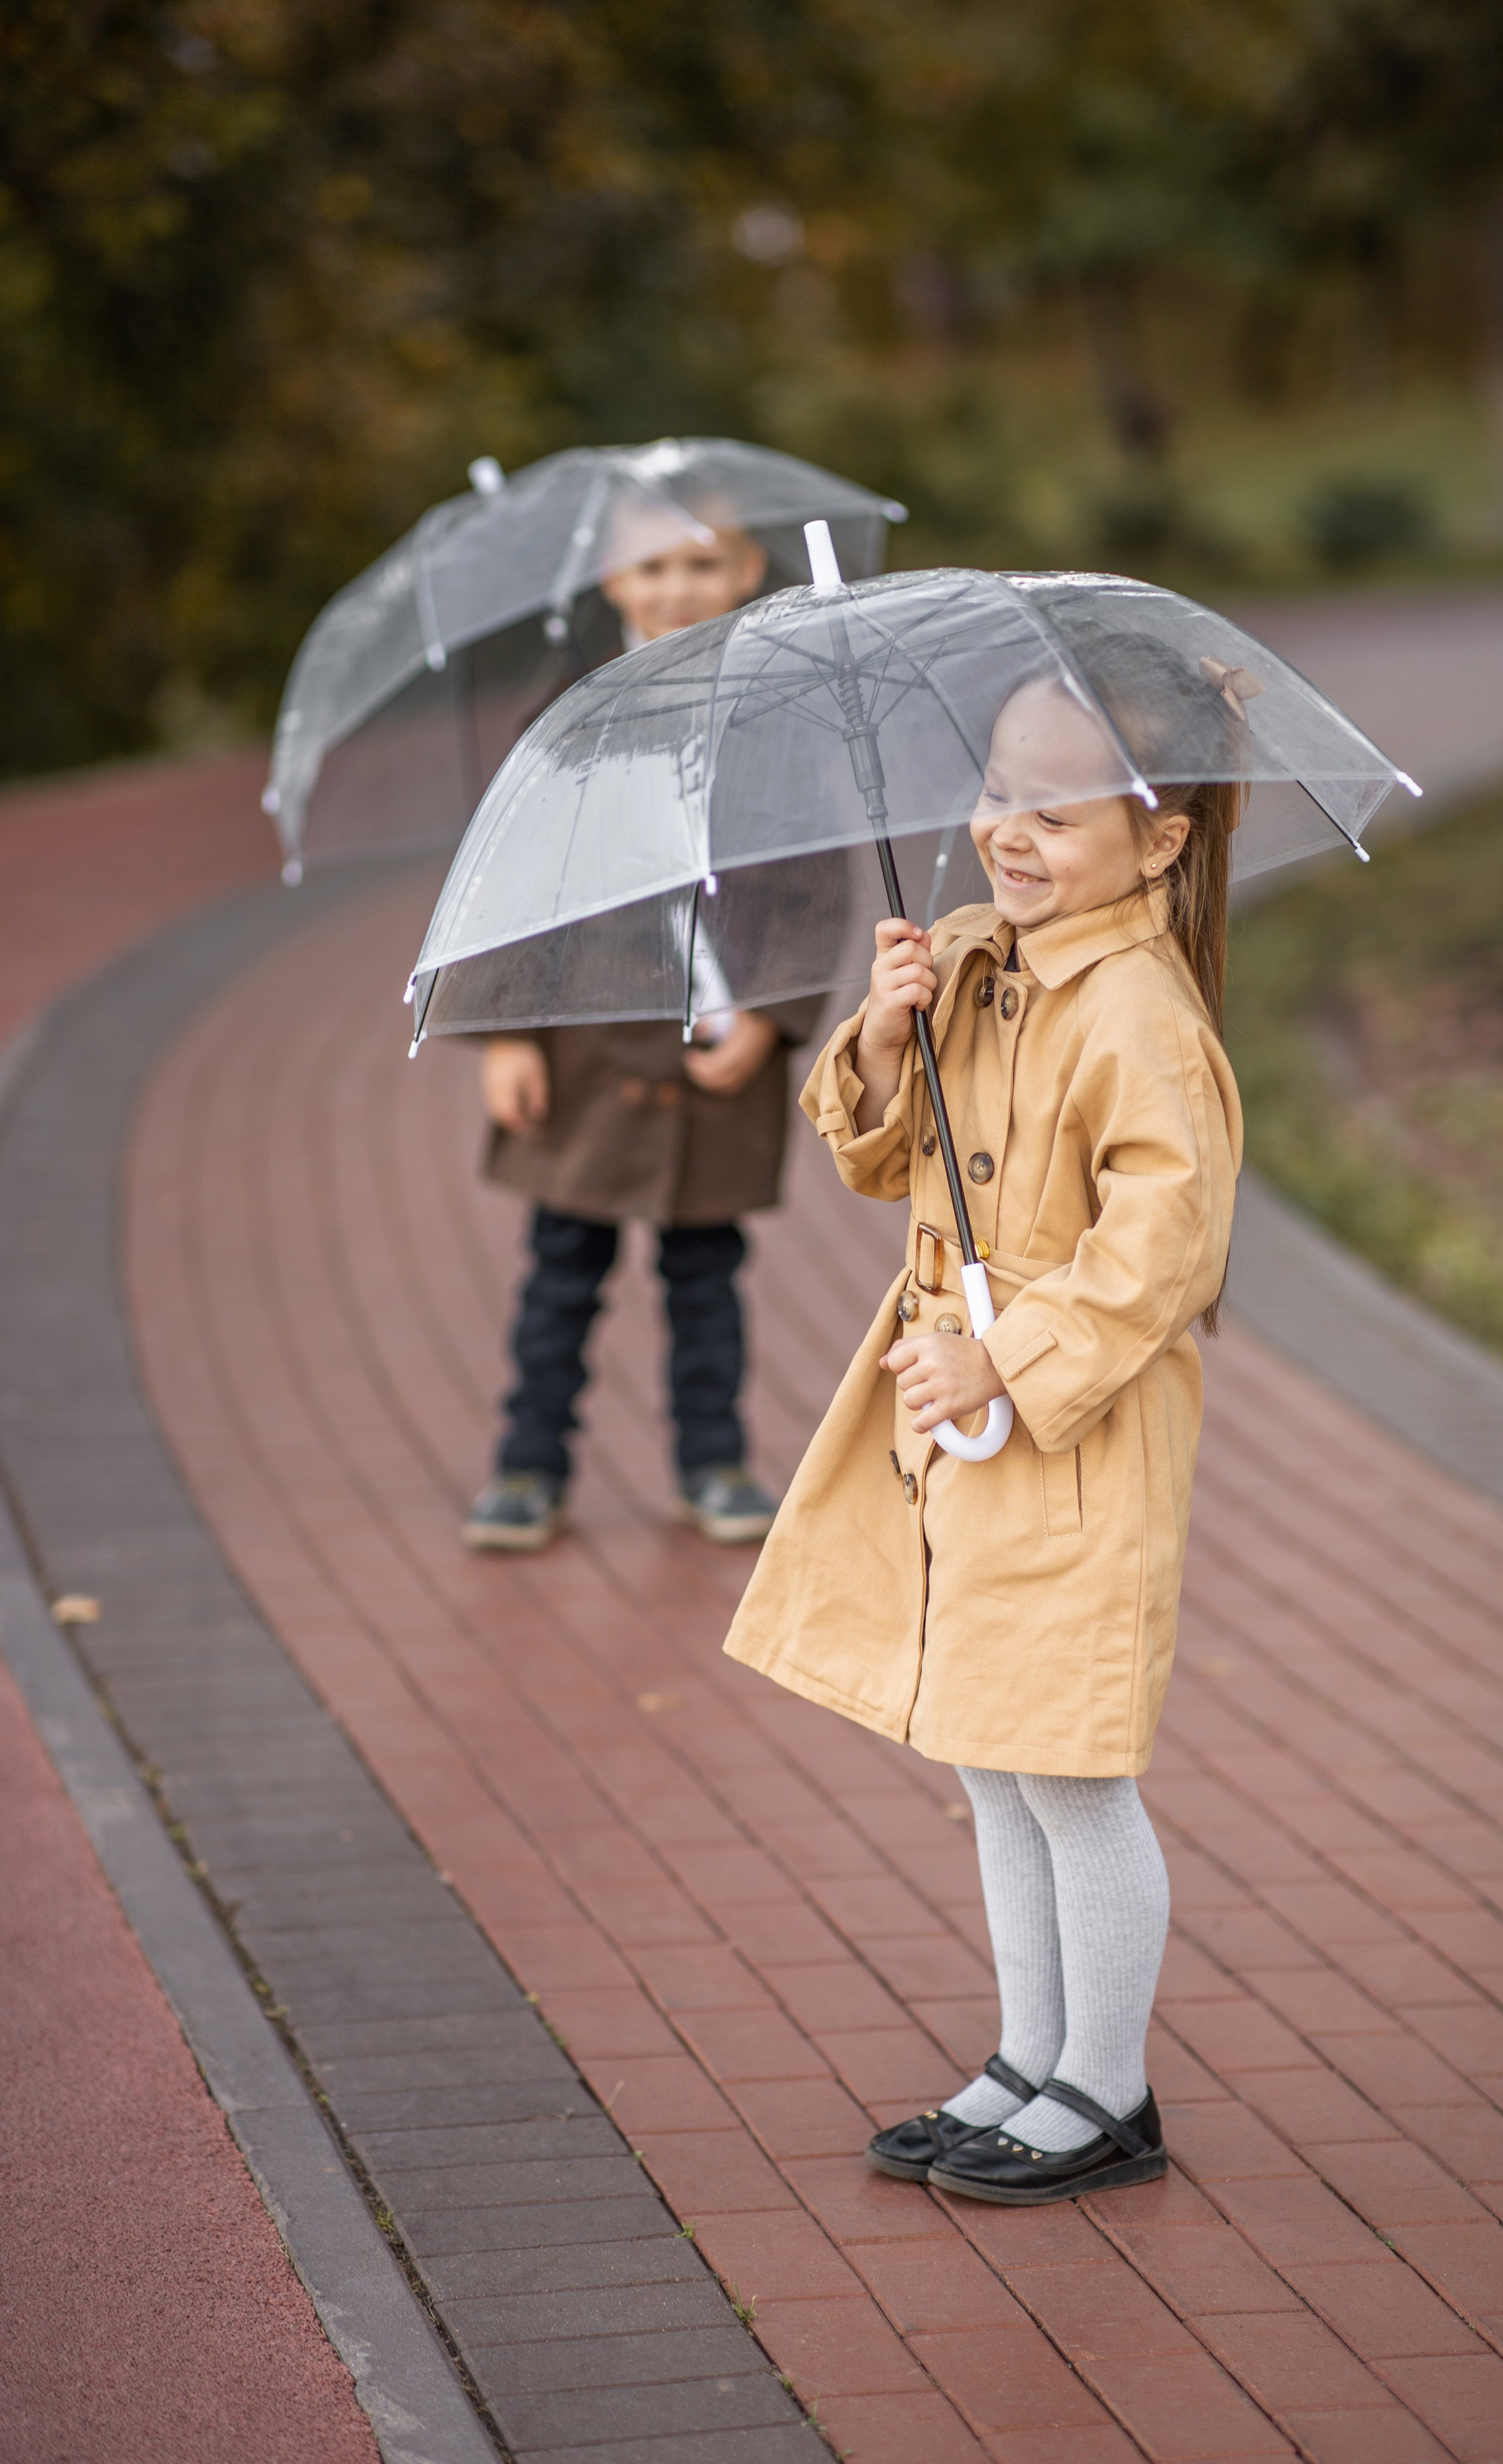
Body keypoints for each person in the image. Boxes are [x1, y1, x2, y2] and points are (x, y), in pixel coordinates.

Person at [723, 650, 1243, 2202]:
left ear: (1158, 842)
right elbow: (891, 1162)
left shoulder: (1137, 1013)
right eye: (995, 795)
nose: (1007, 832)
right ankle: (1029, 2052)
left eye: (1055, 813)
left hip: (1066, 1430)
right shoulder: (969, 957)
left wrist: (1005, 1360)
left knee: (1070, 1763)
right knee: (992, 1754)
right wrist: (886, 1040)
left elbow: (1163, 1246)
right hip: (963, 1408)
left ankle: (1108, 2088)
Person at [463, 504, 824, 1551]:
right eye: (653, 566)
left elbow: (816, 883)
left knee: (707, 1276)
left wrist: (772, 1016)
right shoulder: (570, 714)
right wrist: (507, 1033)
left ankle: (712, 1460)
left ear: (747, 568)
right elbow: (506, 881)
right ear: (614, 582)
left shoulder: (782, 715)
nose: (678, 586)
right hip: (585, 1044)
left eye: (703, 564)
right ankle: (529, 1465)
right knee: (561, 1274)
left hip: (718, 1044)